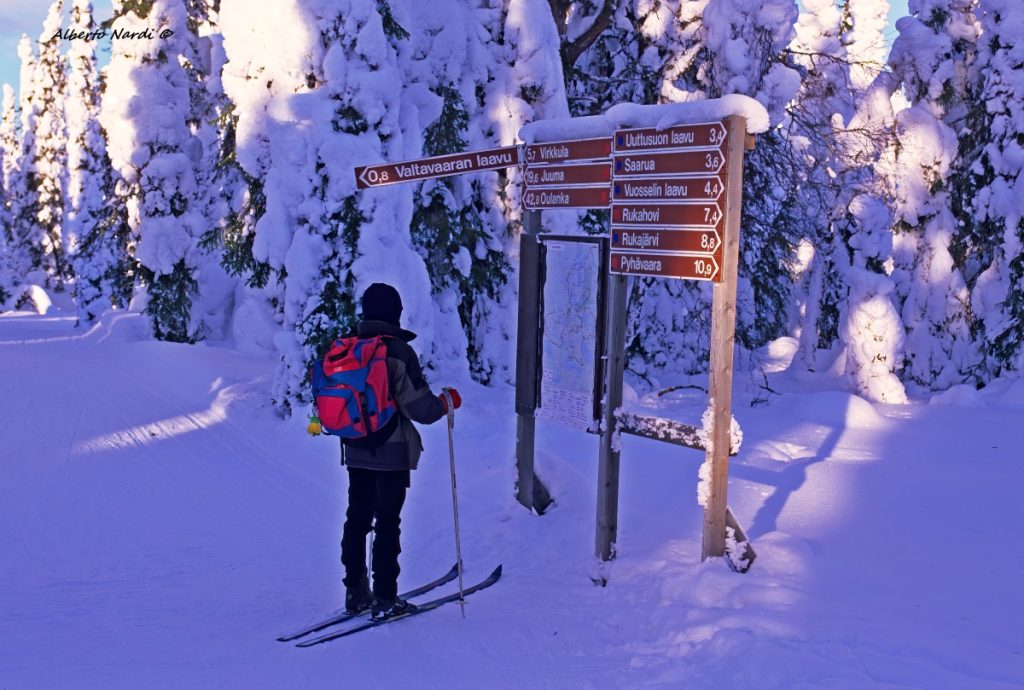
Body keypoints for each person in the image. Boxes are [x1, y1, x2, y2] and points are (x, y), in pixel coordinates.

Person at [340, 282, 462, 620]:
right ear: (395, 313)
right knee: (387, 522)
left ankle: (355, 591)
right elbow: (420, 408)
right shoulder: (398, 352)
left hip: (355, 446)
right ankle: (385, 598)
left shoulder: (350, 347)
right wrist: (447, 402)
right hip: (390, 451)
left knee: (357, 517)